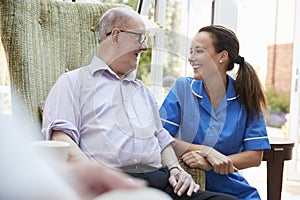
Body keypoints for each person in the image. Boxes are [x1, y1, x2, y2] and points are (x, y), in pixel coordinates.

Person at [42, 7, 236, 200]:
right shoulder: (72, 82)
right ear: (116, 36)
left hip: (164, 183)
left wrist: (176, 169)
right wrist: (98, 180)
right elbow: (61, 141)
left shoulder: (141, 90)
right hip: (115, 184)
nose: (144, 47)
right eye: (139, 38)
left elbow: (161, 137)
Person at [159, 25, 271, 199]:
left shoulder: (246, 96)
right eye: (191, 51)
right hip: (190, 186)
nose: (191, 58)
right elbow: (161, 137)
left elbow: (255, 156)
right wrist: (206, 150)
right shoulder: (183, 88)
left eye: (199, 51)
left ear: (222, 57)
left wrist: (210, 163)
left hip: (232, 187)